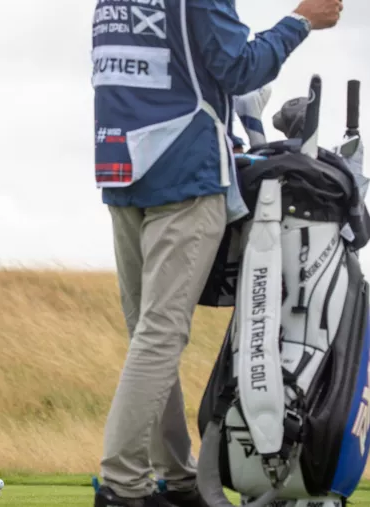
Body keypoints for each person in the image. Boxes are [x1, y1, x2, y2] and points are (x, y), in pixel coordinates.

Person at [90, 0, 343, 506]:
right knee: (160, 335)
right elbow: (239, 68)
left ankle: (177, 479)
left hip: (121, 166)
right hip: (183, 169)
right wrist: (301, 21)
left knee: (148, 334)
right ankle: (122, 486)